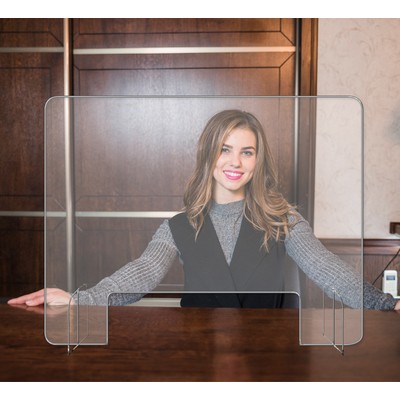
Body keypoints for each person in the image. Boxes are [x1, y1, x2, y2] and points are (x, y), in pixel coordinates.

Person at [8, 110, 400, 310]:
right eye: (225, 149)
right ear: (208, 155)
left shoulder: (284, 220)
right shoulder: (178, 227)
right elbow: (139, 275)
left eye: (247, 151)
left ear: (257, 160)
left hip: (271, 360)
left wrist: (388, 303)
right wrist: (79, 301)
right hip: (196, 356)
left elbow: (327, 270)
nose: (235, 161)